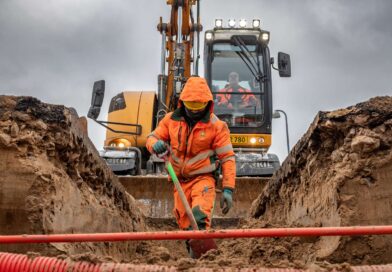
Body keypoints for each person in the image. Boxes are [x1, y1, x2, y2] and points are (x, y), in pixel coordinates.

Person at [146, 77, 236, 248]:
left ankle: (204, 255)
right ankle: (195, 257)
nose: (194, 111)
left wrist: (228, 188)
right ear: (183, 102)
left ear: (207, 104)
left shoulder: (217, 126)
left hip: (203, 178)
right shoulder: (170, 120)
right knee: (186, 226)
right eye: (191, 106)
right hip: (179, 180)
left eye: (198, 106)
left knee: (199, 215)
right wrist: (154, 145)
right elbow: (151, 137)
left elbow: (228, 158)